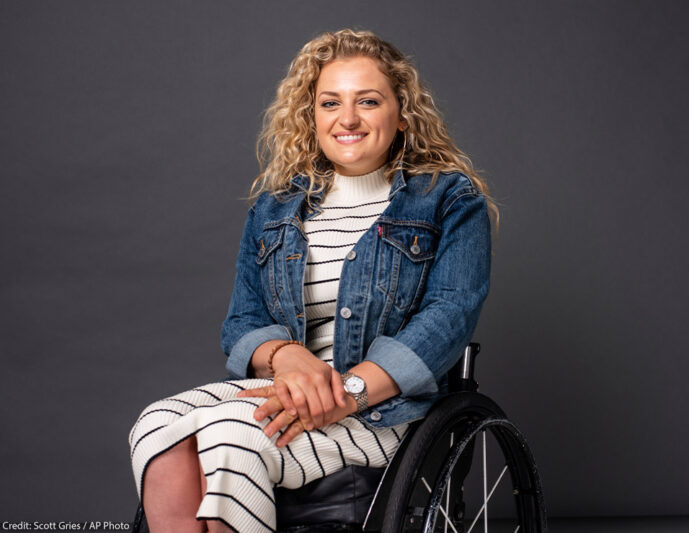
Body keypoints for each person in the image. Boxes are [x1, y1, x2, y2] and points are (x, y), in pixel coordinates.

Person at [128, 28, 496, 533]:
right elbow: (242, 321)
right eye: (330, 103)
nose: (347, 119)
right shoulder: (274, 209)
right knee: (157, 427)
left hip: (382, 410)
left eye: (368, 101)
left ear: (402, 114)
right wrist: (288, 357)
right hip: (285, 391)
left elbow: (448, 318)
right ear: (312, 116)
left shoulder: (448, 200)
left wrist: (345, 393)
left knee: (230, 433)